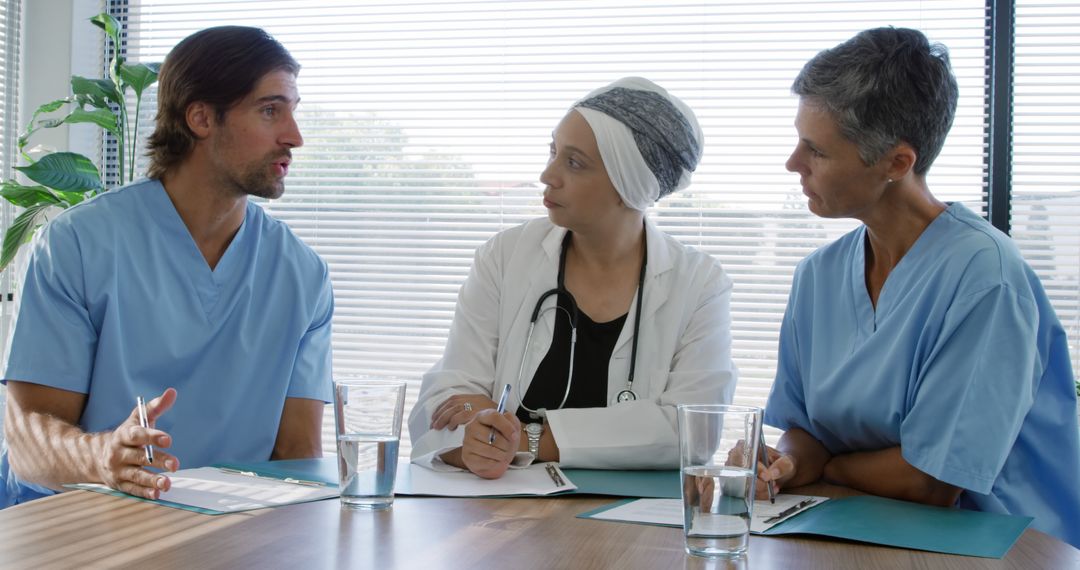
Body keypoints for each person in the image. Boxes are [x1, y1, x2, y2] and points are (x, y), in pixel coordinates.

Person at [759, 27, 1080, 547]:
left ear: (897, 163)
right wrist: (788, 463)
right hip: (859, 529)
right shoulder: (817, 276)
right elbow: (806, 433)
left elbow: (931, 482)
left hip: (999, 545)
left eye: (815, 150)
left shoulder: (986, 277)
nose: (793, 164)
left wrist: (830, 468)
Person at [0, 26, 333, 506]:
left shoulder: (303, 276)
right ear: (201, 117)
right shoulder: (78, 244)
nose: (294, 137)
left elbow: (297, 460)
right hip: (74, 527)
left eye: (292, 112)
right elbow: (27, 443)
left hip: (223, 532)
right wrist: (103, 459)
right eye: (269, 110)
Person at [409, 77, 737, 479]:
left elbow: (692, 432)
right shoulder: (505, 256)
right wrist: (474, 443)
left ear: (628, 186)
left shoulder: (699, 283)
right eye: (553, 152)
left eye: (574, 163)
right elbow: (448, 399)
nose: (548, 175)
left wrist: (522, 439)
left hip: (633, 527)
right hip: (502, 515)